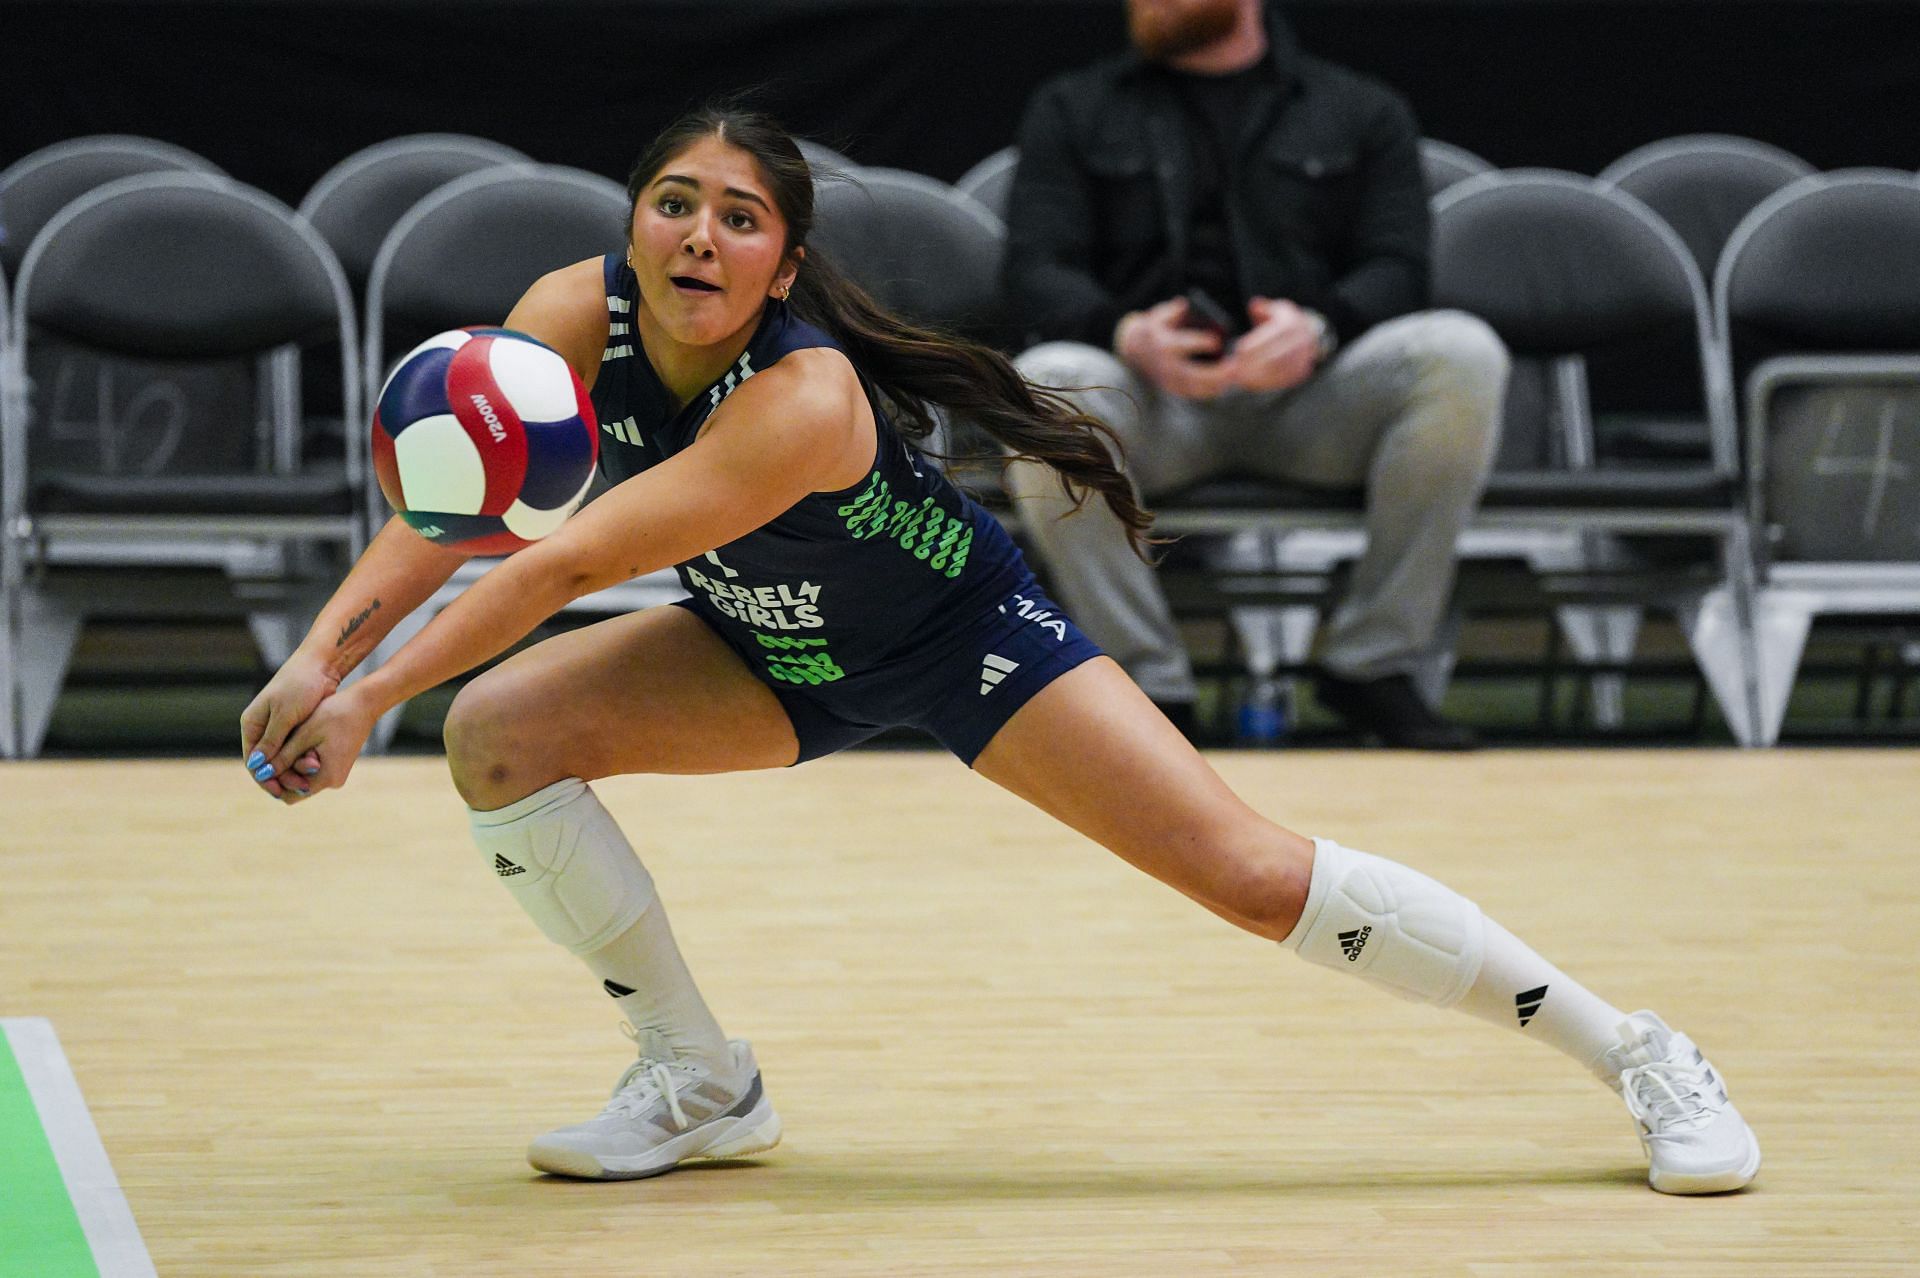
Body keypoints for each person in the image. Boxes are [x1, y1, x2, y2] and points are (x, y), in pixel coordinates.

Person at [240, 105, 1756, 1194]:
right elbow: (461, 509)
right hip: (765, 646)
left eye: (741, 216)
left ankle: (1633, 1050)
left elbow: (566, 556)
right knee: (496, 733)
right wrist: (322, 659)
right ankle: (702, 1080)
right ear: (629, 222)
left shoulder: (806, 396)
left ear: (783, 264)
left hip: (956, 639)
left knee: (1245, 870)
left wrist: (368, 690)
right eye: (674, 201)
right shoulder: (569, 318)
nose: (701, 232)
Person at [1001, 0, 1509, 749]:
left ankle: (1372, 661)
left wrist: (1319, 328)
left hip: (1311, 403)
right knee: (1048, 378)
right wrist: (1125, 333)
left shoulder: (1358, 108)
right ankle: (1145, 681)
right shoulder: (1075, 107)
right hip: (1150, 405)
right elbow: (1034, 269)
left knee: (1461, 352)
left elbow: (1399, 266)